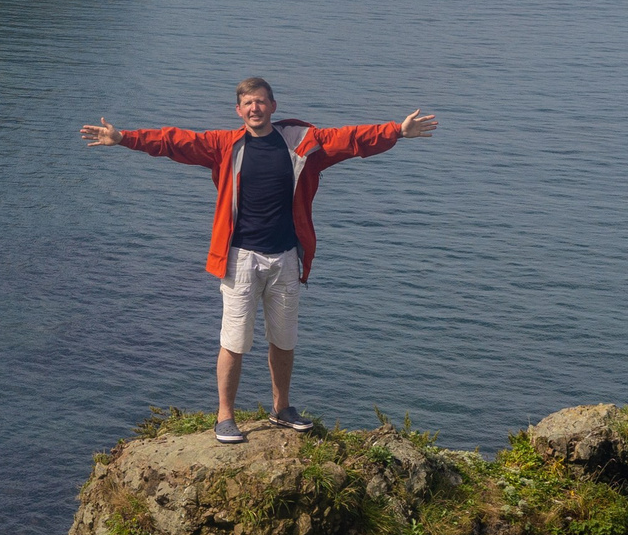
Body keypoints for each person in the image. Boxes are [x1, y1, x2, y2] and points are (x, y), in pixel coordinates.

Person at [82, 78, 439, 444]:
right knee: (234, 341)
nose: (255, 108)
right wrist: (124, 137)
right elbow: (175, 141)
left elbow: (350, 139)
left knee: (284, 340)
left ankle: (281, 409)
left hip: (285, 258)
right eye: (248, 103)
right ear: (239, 111)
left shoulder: (302, 144)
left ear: (273, 106)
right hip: (240, 259)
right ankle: (225, 416)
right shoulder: (225, 146)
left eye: (261, 102)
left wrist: (396, 130)